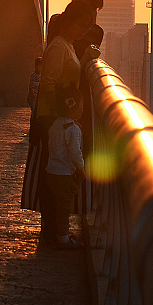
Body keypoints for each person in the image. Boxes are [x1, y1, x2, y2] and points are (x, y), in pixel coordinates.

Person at [28, 0, 95, 237]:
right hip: (52, 118)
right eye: (81, 26)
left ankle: (55, 228)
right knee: (54, 176)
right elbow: (48, 84)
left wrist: (85, 58)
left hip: (57, 118)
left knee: (56, 174)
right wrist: (64, 113)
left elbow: (70, 76)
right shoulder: (58, 47)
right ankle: (54, 230)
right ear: (68, 22)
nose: (84, 31)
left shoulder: (67, 45)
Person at [43, 85, 86, 249]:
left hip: (51, 172)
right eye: (81, 104)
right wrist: (81, 167)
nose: (83, 107)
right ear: (74, 107)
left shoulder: (55, 125)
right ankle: (63, 239)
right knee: (64, 207)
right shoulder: (73, 129)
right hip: (65, 174)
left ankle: (60, 233)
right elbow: (75, 152)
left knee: (56, 205)